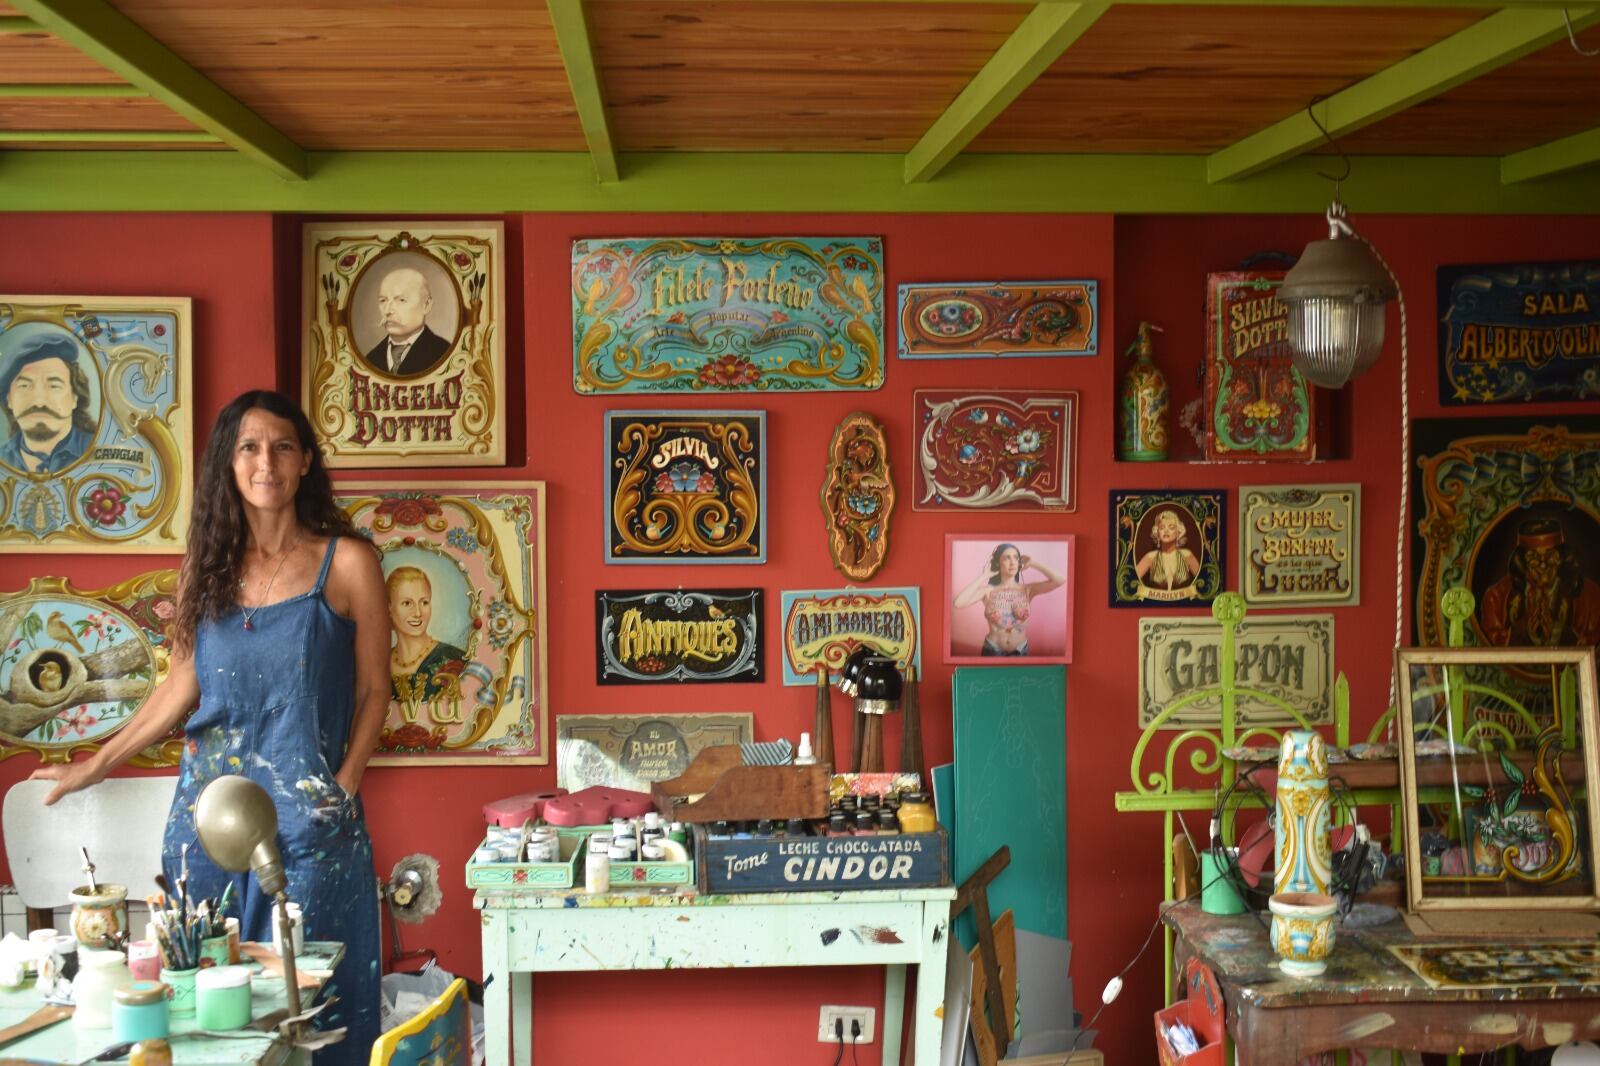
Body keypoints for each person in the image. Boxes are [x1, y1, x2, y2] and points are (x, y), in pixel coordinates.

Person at [33, 389, 388, 1064]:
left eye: (282, 447)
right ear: (228, 462)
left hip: (310, 829)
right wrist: (94, 767)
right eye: (248, 447)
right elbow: (180, 687)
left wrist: (343, 786)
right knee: (211, 1015)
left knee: (315, 1010)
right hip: (205, 829)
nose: (266, 463)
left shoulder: (347, 563)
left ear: (306, 461)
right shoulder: (208, 571)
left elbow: (375, 690)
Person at [1480, 517, 1600, 646]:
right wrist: (1521, 633)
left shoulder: (1591, 595)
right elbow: (1491, 642)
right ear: (1521, 560)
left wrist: (1562, 634)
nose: (1543, 565)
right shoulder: (1496, 597)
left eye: (1550, 556)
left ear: (1562, 557)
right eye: (1535, 558)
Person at [0, 333, 96, 474]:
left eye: (53, 386)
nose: (39, 403)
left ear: (75, 398)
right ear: (9, 399)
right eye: (25, 386)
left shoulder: (96, 451)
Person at [953, 542, 1065, 656]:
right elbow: (958, 603)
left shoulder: (1028, 589)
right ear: (998, 563)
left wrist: (1033, 563)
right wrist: (984, 576)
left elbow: (1060, 580)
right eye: (1007, 557)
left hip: (1020, 651)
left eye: (1016, 558)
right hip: (992, 650)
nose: (1012, 562)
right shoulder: (987, 591)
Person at [386, 565, 468, 702]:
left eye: (424, 602)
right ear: (389, 607)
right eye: (407, 603)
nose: (418, 613)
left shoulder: (455, 658)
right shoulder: (378, 664)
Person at [361, 266, 452, 377]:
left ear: (426, 305)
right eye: (383, 300)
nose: (388, 311)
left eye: (401, 300)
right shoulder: (371, 359)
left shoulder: (444, 353)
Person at [1135, 508, 1201, 592]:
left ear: (1178, 532)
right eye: (1162, 527)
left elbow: (1202, 582)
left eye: (1171, 527)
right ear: (1157, 532)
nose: (1166, 531)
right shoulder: (1150, 557)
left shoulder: (1187, 555)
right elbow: (1132, 580)